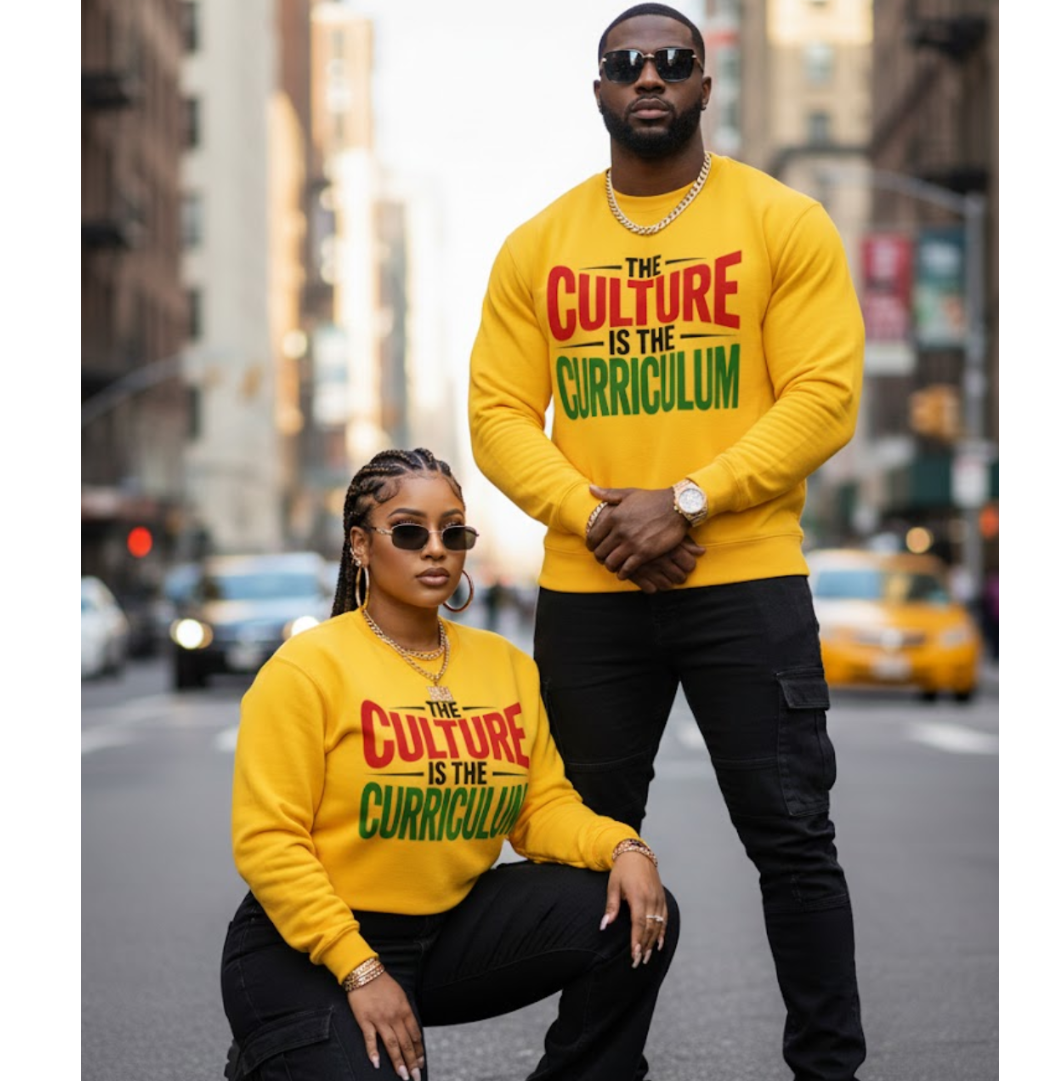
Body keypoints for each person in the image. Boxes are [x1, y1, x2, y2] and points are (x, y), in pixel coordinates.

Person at [467, 5, 867, 1079]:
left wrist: (686, 499)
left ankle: (829, 1068)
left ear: (704, 86)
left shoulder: (782, 222)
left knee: (792, 843)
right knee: (589, 841)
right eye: (626, 64)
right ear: (597, 89)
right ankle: (598, 1068)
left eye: (673, 62)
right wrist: (600, 516)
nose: (650, 77)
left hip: (746, 581)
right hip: (589, 589)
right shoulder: (538, 246)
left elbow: (825, 396)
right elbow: (498, 413)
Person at [219, 447, 679, 1081]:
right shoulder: (306, 669)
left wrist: (625, 848)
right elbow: (270, 842)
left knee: (637, 907)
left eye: (452, 531)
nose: (435, 548)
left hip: (446, 936)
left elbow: (540, 807)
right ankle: (279, 1046)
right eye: (410, 532)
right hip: (308, 950)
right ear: (360, 544)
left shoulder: (505, 666)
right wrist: (359, 966)